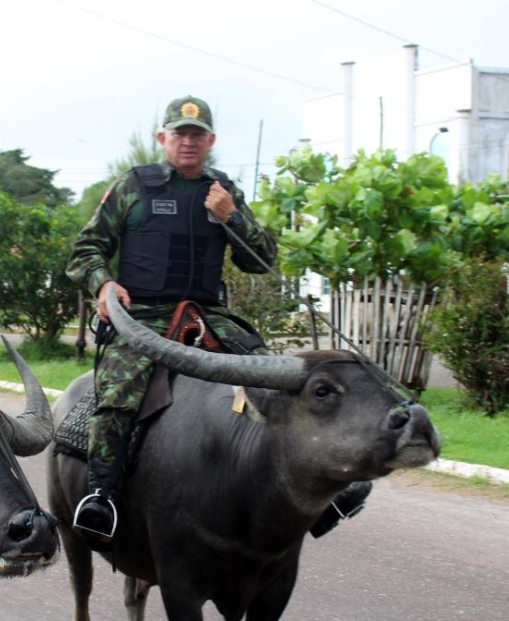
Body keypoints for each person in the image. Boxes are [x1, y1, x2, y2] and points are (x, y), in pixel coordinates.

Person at [66, 95, 371, 541]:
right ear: (162, 138)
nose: (187, 142)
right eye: (179, 134)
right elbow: (85, 249)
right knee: (120, 393)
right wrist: (102, 284)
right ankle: (101, 496)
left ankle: (321, 492)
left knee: (276, 379)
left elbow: (261, 259)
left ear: (209, 140)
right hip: (142, 315)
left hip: (208, 314)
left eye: (196, 135)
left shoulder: (223, 190)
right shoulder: (133, 186)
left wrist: (232, 218)